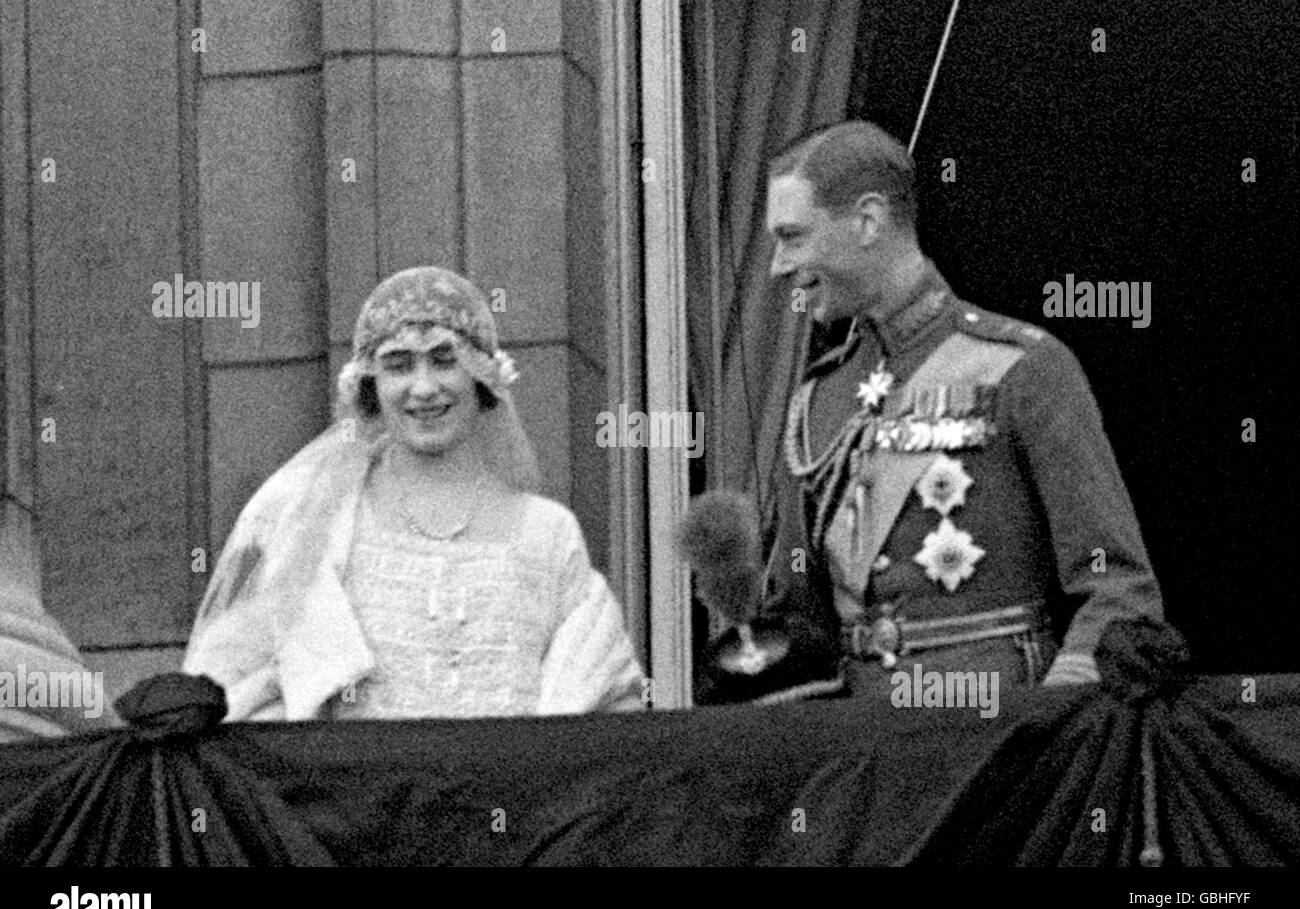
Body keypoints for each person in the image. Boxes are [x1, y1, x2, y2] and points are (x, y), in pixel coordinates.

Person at [701, 121, 1174, 704]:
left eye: (793, 236)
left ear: (869, 221)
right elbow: (808, 621)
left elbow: (1117, 591)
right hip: (866, 749)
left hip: (994, 731)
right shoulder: (817, 400)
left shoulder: (1024, 369)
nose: (777, 265)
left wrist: (1048, 727)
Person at [184, 266, 645, 720]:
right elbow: (240, 691)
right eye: (398, 365)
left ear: (483, 377)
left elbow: (609, 707)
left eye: (445, 360)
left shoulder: (548, 533)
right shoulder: (319, 525)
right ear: (371, 385)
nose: (423, 388)